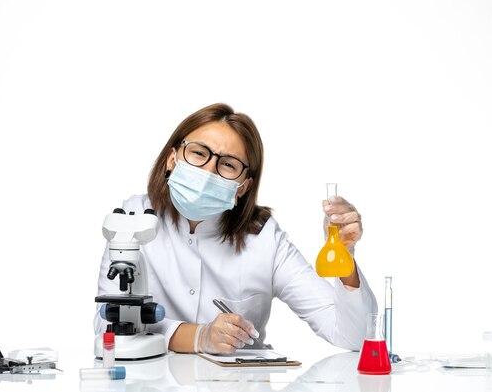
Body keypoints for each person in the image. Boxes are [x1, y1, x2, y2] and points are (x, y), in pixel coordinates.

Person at [94, 103, 377, 354]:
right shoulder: (133, 220)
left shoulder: (264, 238)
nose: (208, 172)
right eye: (198, 153)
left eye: (227, 165)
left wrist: (344, 258)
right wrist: (199, 337)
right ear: (172, 159)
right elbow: (107, 323)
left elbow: (350, 336)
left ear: (243, 187)